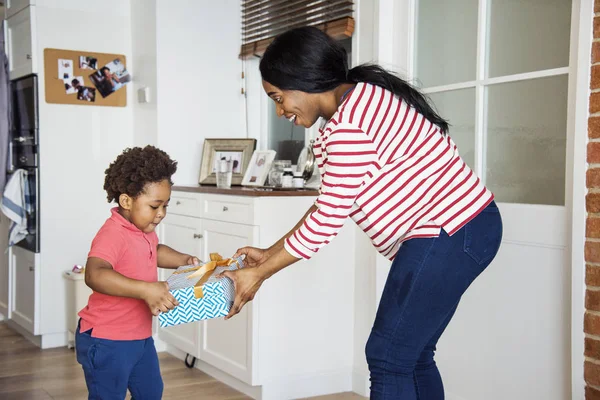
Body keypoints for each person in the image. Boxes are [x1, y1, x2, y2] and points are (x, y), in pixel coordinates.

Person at [220, 26, 503, 400]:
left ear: (303, 81)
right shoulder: (359, 101)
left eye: (278, 97)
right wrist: (269, 253)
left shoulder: (349, 126)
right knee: (411, 356)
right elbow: (329, 204)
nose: (280, 110)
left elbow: (326, 221)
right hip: (464, 227)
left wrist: (258, 274)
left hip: (449, 230)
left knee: (388, 357)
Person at [76, 146, 200, 400]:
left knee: (151, 392)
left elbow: (155, 250)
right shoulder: (113, 233)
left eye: (166, 205)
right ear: (126, 201)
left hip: (139, 338)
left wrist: (183, 260)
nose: (161, 213)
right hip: (107, 339)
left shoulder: (142, 230)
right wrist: (145, 289)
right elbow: (95, 274)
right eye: (155, 206)